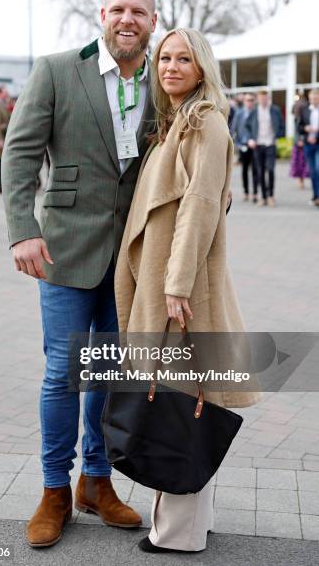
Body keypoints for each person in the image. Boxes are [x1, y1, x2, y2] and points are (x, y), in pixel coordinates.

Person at [1, 0, 157, 548]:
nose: (127, 19)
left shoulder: (163, 79)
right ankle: (53, 490)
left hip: (132, 259)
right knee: (64, 374)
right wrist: (22, 230)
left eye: (138, 12)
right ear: (102, 14)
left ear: (152, 22)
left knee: (109, 375)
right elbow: (19, 152)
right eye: (118, 8)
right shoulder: (57, 68)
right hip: (64, 248)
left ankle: (96, 482)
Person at [114, 28, 261, 554]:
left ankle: (177, 534)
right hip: (168, 277)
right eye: (166, 58)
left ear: (203, 69)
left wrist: (176, 285)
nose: (171, 66)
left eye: (184, 59)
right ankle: (192, 523)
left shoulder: (205, 124)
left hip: (181, 285)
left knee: (180, 404)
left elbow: (198, 208)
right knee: (182, 396)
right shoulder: (177, 123)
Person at [246, 90, 284, 206]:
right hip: (258, 144)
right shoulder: (254, 111)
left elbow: (282, 125)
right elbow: (247, 126)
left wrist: (278, 135)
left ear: (268, 98)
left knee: (271, 169)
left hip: (270, 144)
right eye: (261, 98)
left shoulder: (275, 110)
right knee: (260, 171)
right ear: (258, 99)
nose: (263, 100)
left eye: (265, 98)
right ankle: (263, 197)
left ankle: (271, 195)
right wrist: (250, 139)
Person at [230, 92, 258, 202]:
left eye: (251, 100)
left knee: (256, 170)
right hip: (243, 145)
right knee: (245, 170)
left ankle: (255, 193)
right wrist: (238, 144)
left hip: (255, 145)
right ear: (244, 101)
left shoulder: (256, 113)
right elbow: (233, 129)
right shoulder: (239, 113)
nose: (249, 102)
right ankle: (246, 192)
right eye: (247, 100)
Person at [298, 88, 319, 206]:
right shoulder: (305, 110)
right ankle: (315, 196)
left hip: (318, 143)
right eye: (312, 98)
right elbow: (299, 126)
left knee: (318, 168)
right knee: (313, 171)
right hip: (308, 144)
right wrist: (305, 129)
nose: (314, 100)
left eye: (316, 98)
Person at [290, 94, 309, 189]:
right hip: (297, 142)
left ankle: (304, 179)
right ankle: (300, 180)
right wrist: (298, 140)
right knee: (299, 162)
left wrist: (302, 140)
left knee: (304, 162)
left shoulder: (305, 112)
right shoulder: (296, 118)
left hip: (304, 141)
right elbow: (296, 131)